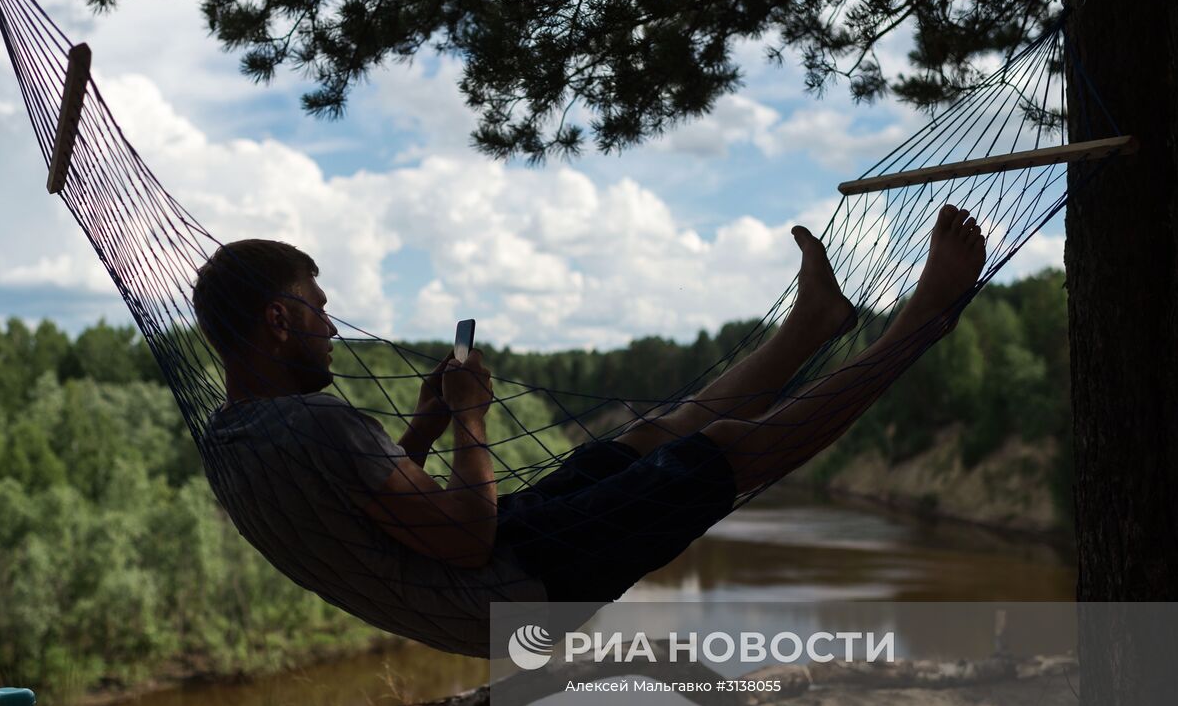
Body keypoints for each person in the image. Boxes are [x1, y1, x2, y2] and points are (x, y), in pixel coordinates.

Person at [194, 205, 986, 657]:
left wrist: (427, 426)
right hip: (507, 593)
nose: (332, 326)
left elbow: (363, 502)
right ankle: (926, 319)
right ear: (278, 320)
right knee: (721, 455)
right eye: (318, 307)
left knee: (650, 438)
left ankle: (814, 323)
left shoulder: (233, 438)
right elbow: (466, 537)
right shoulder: (316, 421)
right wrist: (470, 417)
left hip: (489, 573)